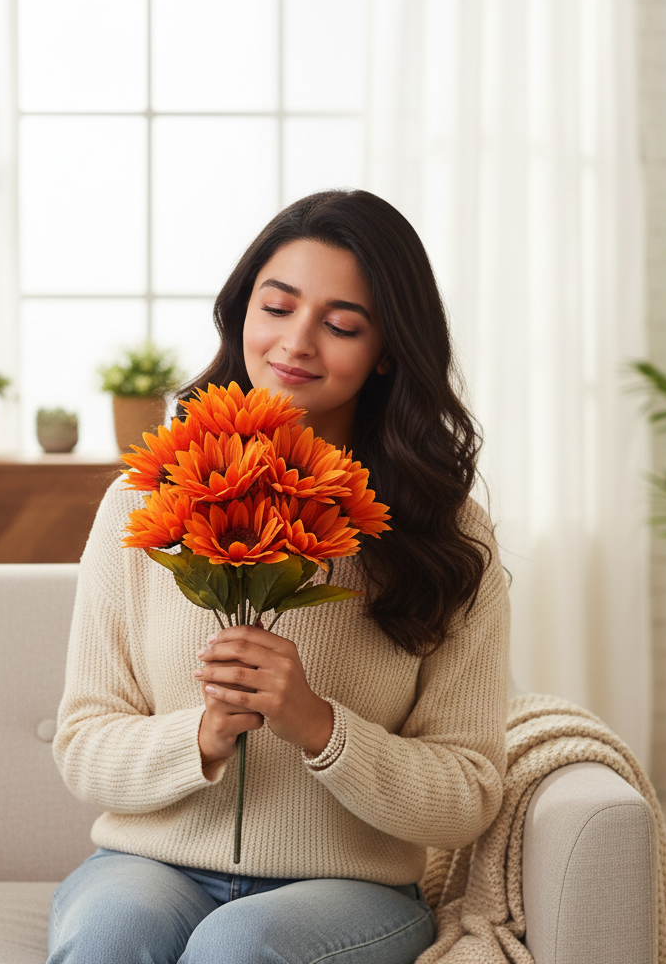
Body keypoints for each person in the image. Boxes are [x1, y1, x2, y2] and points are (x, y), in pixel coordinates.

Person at [47, 190, 511, 964]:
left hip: (350, 890)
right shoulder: (143, 498)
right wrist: (198, 735)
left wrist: (319, 726)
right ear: (241, 314)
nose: (297, 342)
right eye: (278, 306)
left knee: (239, 946)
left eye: (341, 324)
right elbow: (83, 743)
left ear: (386, 350)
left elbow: (467, 792)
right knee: (109, 935)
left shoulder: (448, 533)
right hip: (147, 866)